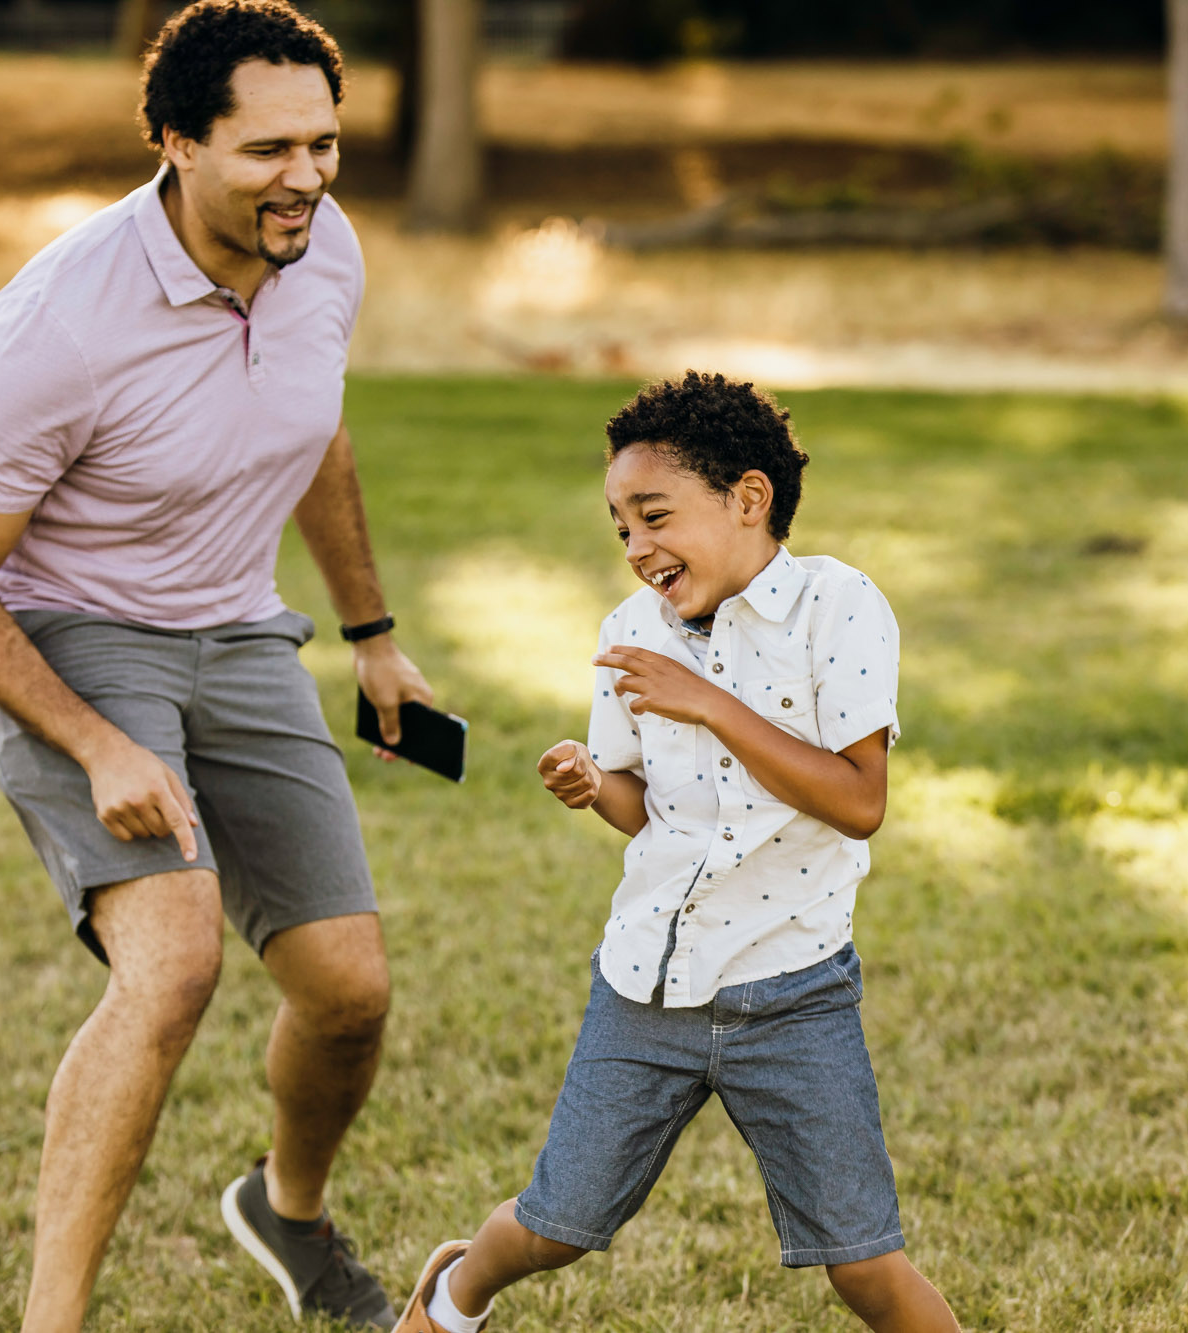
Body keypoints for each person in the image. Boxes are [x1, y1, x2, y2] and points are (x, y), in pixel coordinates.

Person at [0, 4, 423, 1329]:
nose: (305, 177)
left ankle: (286, 1216)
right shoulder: (59, 325)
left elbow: (317, 432)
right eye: (268, 150)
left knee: (349, 992)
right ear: (176, 142)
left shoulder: (324, 251)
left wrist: (371, 639)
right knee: (176, 962)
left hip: (237, 630)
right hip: (70, 634)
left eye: (325, 143)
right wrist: (101, 743)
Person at [392, 373, 962, 1333]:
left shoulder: (838, 607)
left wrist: (711, 704)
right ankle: (452, 1294)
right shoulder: (630, 636)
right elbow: (642, 805)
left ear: (749, 498)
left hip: (793, 993)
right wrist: (592, 783)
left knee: (864, 1260)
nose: (636, 547)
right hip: (647, 983)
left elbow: (860, 801)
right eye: (620, 528)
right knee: (557, 1224)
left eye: (654, 515)